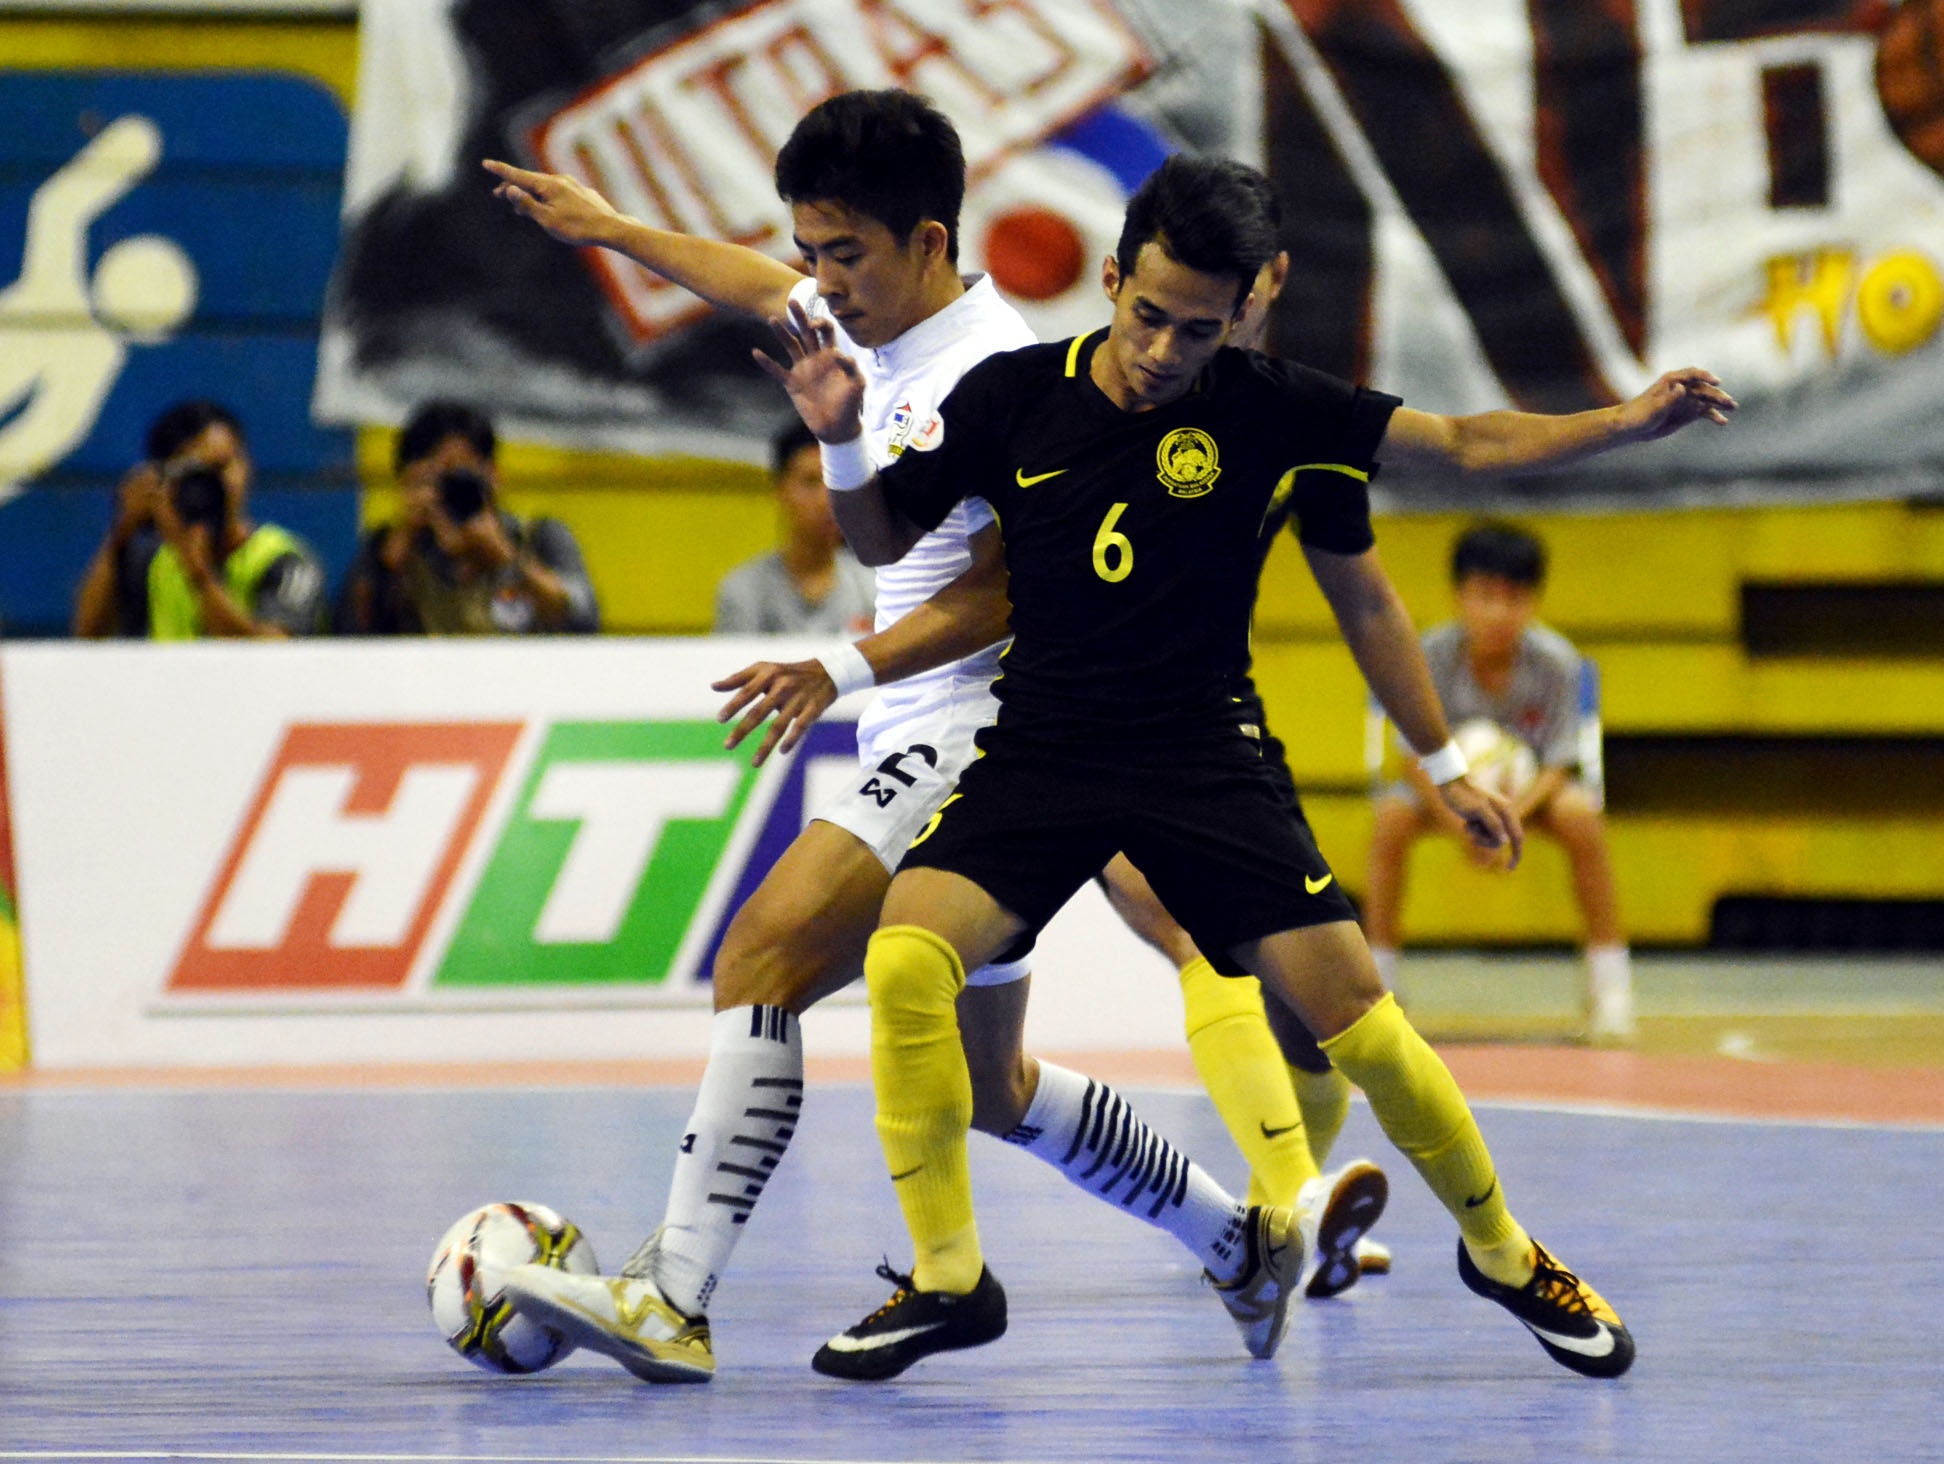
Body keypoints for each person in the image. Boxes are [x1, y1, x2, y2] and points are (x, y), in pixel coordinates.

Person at [762, 152, 1734, 1381]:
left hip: (1201, 757)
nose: (1166, 350)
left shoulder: (1275, 407)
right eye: (1148, 316)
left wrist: (1629, 419)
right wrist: (843, 439)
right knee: (908, 954)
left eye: (1199, 329)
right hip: (1044, 750)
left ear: (1249, 311)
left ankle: (1503, 1253)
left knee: (1365, 1028)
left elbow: (1472, 442)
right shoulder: (1016, 395)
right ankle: (951, 1276)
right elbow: (883, 533)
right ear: (1110, 278)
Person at [484, 92, 1383, 1386]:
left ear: (927, 237)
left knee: (764, 956)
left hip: (978, 722)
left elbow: (1018, 587)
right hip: (936, 726)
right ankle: (1236, 1242)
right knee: (997, 1083)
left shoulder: (995, 373)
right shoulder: (858, 318)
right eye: (813, 249)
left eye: (843, 252)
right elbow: (754, 284)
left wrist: (838, 664)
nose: (819, 279)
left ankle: (672, 1296)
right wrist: (614, 227)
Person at [1365, 521, 1635, 1041]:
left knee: (1582, 817)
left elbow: (1559, 762)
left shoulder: (1556, 661)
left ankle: (1611, 990)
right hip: (1445, 792)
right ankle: (1378, 987)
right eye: (1484, 595)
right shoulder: (1428, 654)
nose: (1497, 613)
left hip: (1531, 796)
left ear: (1533, 602)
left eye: (1513, 598)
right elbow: (1411, 758)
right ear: (1459, 595)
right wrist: (1458, 821)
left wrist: (1507, 818)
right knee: (1392, 817)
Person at [334, 400, 598, 635]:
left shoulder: (538, 538)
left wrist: (508, 560)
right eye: (436, 481)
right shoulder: (387, 549)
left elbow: (584, 620)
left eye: (463, 477)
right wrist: (396, 554)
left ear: (493, 475)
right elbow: (350, 633)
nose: (452, 493)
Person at [72, 400, 325, 640]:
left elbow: (271, 656)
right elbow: (89, 635)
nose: (216, 484)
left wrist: (199, 574)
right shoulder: (150, 557)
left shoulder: (284, 561)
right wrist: (121, 532)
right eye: (196, 473)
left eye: (222, 466)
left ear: (247, 466)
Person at [714, 418, 875, 635]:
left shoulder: (873, 588)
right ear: (781, 490)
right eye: (810, 482)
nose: (826, 500)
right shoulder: (744, 589)